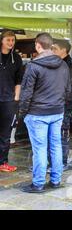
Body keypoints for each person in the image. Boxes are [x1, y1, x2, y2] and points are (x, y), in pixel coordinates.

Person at [19, 33, 69, 193]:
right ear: (51, 45)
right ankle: (56, 180)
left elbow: (26, 93)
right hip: (57, 111)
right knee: (56, 145)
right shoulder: (63, 65)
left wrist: (22, 113)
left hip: (37, 113)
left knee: (40, 149)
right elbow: (67, 90)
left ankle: (38, 183)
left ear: (37, 45)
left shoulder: (33, 66)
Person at [51, 40, 72, 170]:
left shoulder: (71, 65)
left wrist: (61, 100)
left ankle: (62, 161)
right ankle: (56, 161)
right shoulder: (56, 62)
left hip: (64, 104)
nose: (52, 51)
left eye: (55, 48)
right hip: (56, 103)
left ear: (63, 50)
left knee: (62, 132)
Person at [0, 30, 23, 173]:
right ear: (1, 40)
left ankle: (3, 162)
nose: (11, 43)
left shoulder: (16, 58)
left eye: (13, 40)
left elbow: (19, 80)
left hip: (8, 100)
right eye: (8, 40)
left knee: (5, 133)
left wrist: (16, 97)